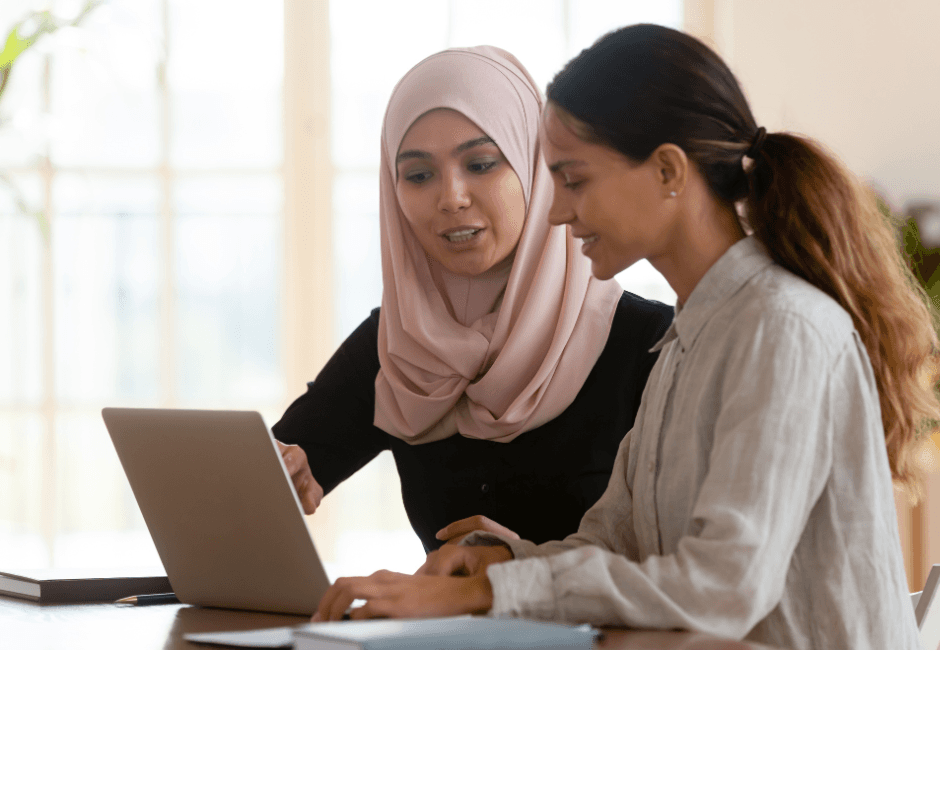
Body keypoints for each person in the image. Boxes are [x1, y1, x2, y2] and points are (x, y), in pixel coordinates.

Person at [313, 25, 939, 649]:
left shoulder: (783, 329)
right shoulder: (686, 339)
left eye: (575, 179)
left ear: (668, 170)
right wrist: (505, 564)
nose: (555, 211)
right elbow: (614, 539)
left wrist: (486, 594)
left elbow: (724, 587)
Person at [273, 46, 673, 555]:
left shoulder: (655, 345)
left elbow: (687, 564)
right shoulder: (398, 344)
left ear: (538, 169)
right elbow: (281, 465)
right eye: (418, 175)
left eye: (481, 163)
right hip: (447, 637)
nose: (451, 197)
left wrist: (519, 571)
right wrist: (277, 471)